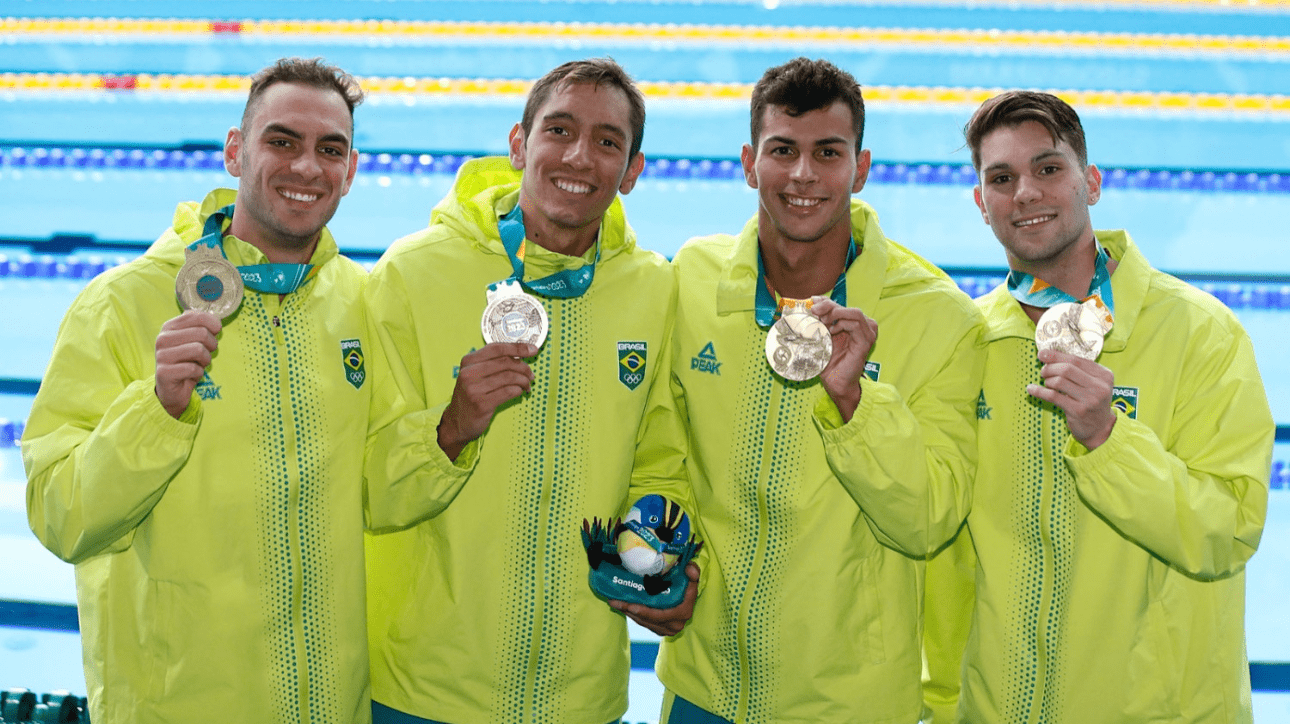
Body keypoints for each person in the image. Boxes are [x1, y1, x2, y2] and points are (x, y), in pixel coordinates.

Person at [22, 57, 438, 723]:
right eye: (281, 141)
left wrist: (453, 433)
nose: (306, 167)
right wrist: (156, 409)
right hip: (179, 705)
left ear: (351, 172)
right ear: (235, 152)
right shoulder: (121, 304)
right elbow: (61, 516)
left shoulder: (359, 303)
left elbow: (379, 490)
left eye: (330, 149)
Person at [362, 58, 697, 724]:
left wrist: (665, 559)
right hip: (425, 692)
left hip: (581, 695)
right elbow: (362, 484)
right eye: (560, 130)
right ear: (519, 145)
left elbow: (664, 460)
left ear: (632, 171)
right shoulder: (413, 272)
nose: (580, 156)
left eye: (608, 142)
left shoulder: (652, 290)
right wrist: (449, 429)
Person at [654, 57, 986, 724]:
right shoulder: (691, 281)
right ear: (750, 162)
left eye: (827, 153)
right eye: (783, 151)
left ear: (860, 168)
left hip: (848, 704)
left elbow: (931, 520)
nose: (803, 175)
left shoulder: (938, 318)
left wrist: (857, 403)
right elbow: (660, 448)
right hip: (704, 689)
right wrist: (662, 554)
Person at [929, 90, 1273, 723]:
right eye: (1001, 178)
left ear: (1090, 181)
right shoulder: (968, 342)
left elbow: (1226, 530)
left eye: (1048, 168)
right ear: (982, 205)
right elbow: (942, 556)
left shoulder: (1201, 334)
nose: (1025, 192)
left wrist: (1108, 440)